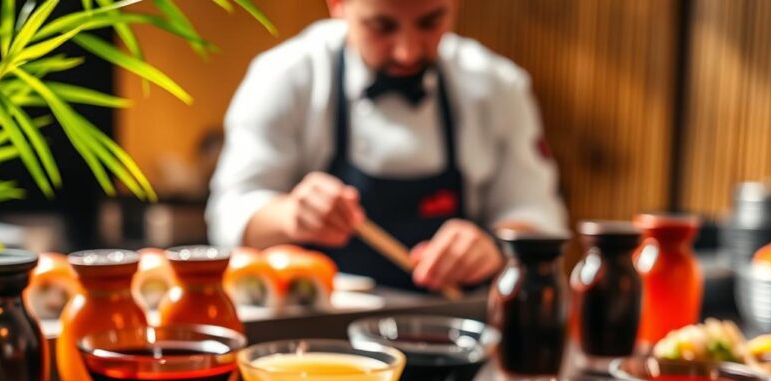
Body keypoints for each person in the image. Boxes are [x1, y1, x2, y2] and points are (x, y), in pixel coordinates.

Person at [206, 0, 566, 292]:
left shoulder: (498, 86)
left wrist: (494, 247)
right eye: (382, 26)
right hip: (318, 343)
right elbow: (229, 215)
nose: (407, 53)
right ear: (338, 4)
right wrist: (290, 215)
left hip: (458, 328)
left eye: (430, 23)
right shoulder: (284, 76)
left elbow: (538, 213)